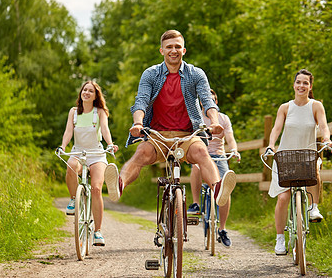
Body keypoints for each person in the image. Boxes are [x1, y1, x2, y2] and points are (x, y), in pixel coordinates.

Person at [104, 29, 236, 209]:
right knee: (141, 153)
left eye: (177, 47)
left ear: (184, 50)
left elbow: (207, 100)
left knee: (202, 153)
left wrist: (214, 122)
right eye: (169, 47)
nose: (173, 50)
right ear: (162, 51)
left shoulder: (195, 74)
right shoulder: (151, 74)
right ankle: (119, 185)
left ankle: (218, 189)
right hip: (158, 135)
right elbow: (141, 101)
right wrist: (138, 123)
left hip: (188, 136)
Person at [266, 69, 332, 255]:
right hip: (286, 158)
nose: (301, 86)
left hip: (307, 156)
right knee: (283, 197)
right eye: (299, 82)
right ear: (294, 85)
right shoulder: (285, 108)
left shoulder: (316, 106)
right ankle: (280, 238)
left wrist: (327, 139)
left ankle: (314, 207)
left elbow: (323, 126)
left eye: (305, 83)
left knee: (316, 168)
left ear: (310, 86)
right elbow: (276, 128)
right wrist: (271, 145)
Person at [58, 81, 119, 246]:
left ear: (95, 96)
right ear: (81, 93)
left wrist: (110, 144)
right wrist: (63, 147)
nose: (86, 92)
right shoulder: (73, 112)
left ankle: (97, 232)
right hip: (78, 150)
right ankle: (73, 199)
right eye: (84, 90)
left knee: (96, 189)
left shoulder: (100, 112)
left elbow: (105, 129)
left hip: (96, 153)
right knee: (71, 167)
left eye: (90, 91)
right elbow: (68, 131)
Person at [187, 89, 240, 247]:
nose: (208, 101)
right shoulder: (195, 119)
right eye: (205, 99)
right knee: (196, 167)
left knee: (225, 187)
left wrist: (235, 150)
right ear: (201, 102)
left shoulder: (223, 119)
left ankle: (222, 229)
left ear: (215, 102)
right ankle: (196, 204)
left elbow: (230, 138)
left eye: (212, 99)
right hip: (201, 156)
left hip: (219, 156)